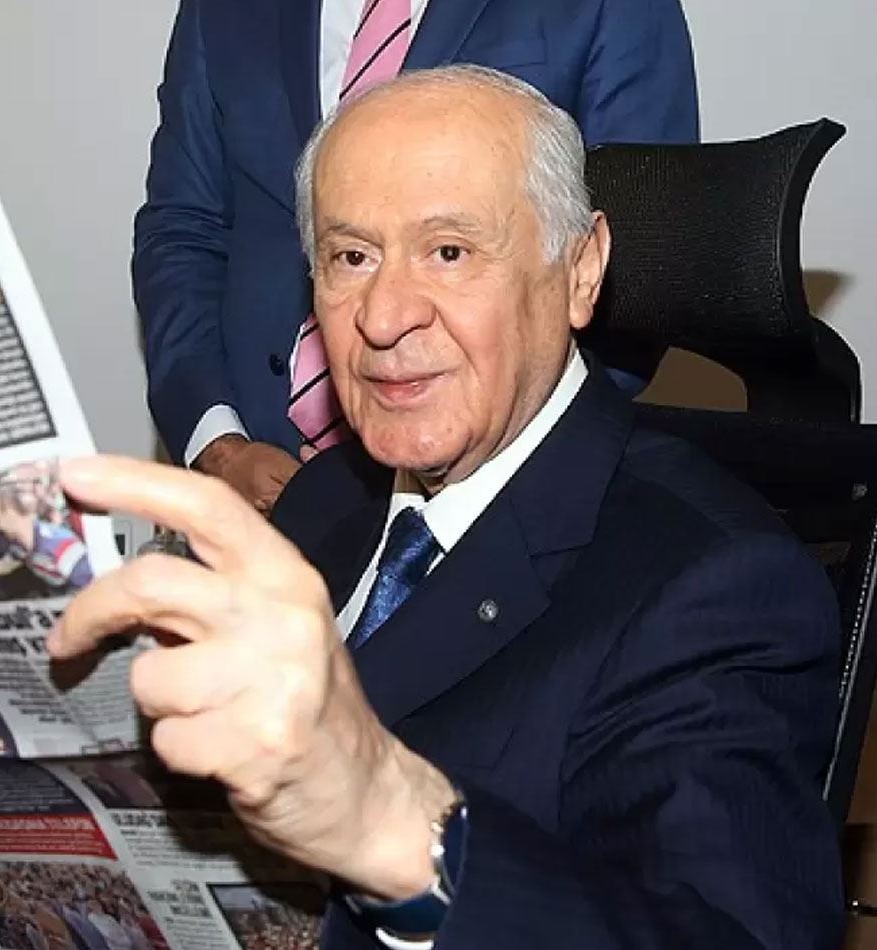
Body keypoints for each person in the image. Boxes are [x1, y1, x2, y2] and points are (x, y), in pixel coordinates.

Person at [54, 67, 842, 948]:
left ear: (580, 271)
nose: (384, 317)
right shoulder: (324, 497)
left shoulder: (714, 587)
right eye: (352, 257)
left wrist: (396, 829)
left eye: (450, 252)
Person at [133, 0, 699, 511]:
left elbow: (637, 256)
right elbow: (183, 228)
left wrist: (492, 477)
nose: (381, 320)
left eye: (448, 251)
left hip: (505, 500)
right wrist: (219, 447)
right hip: (258, 490)